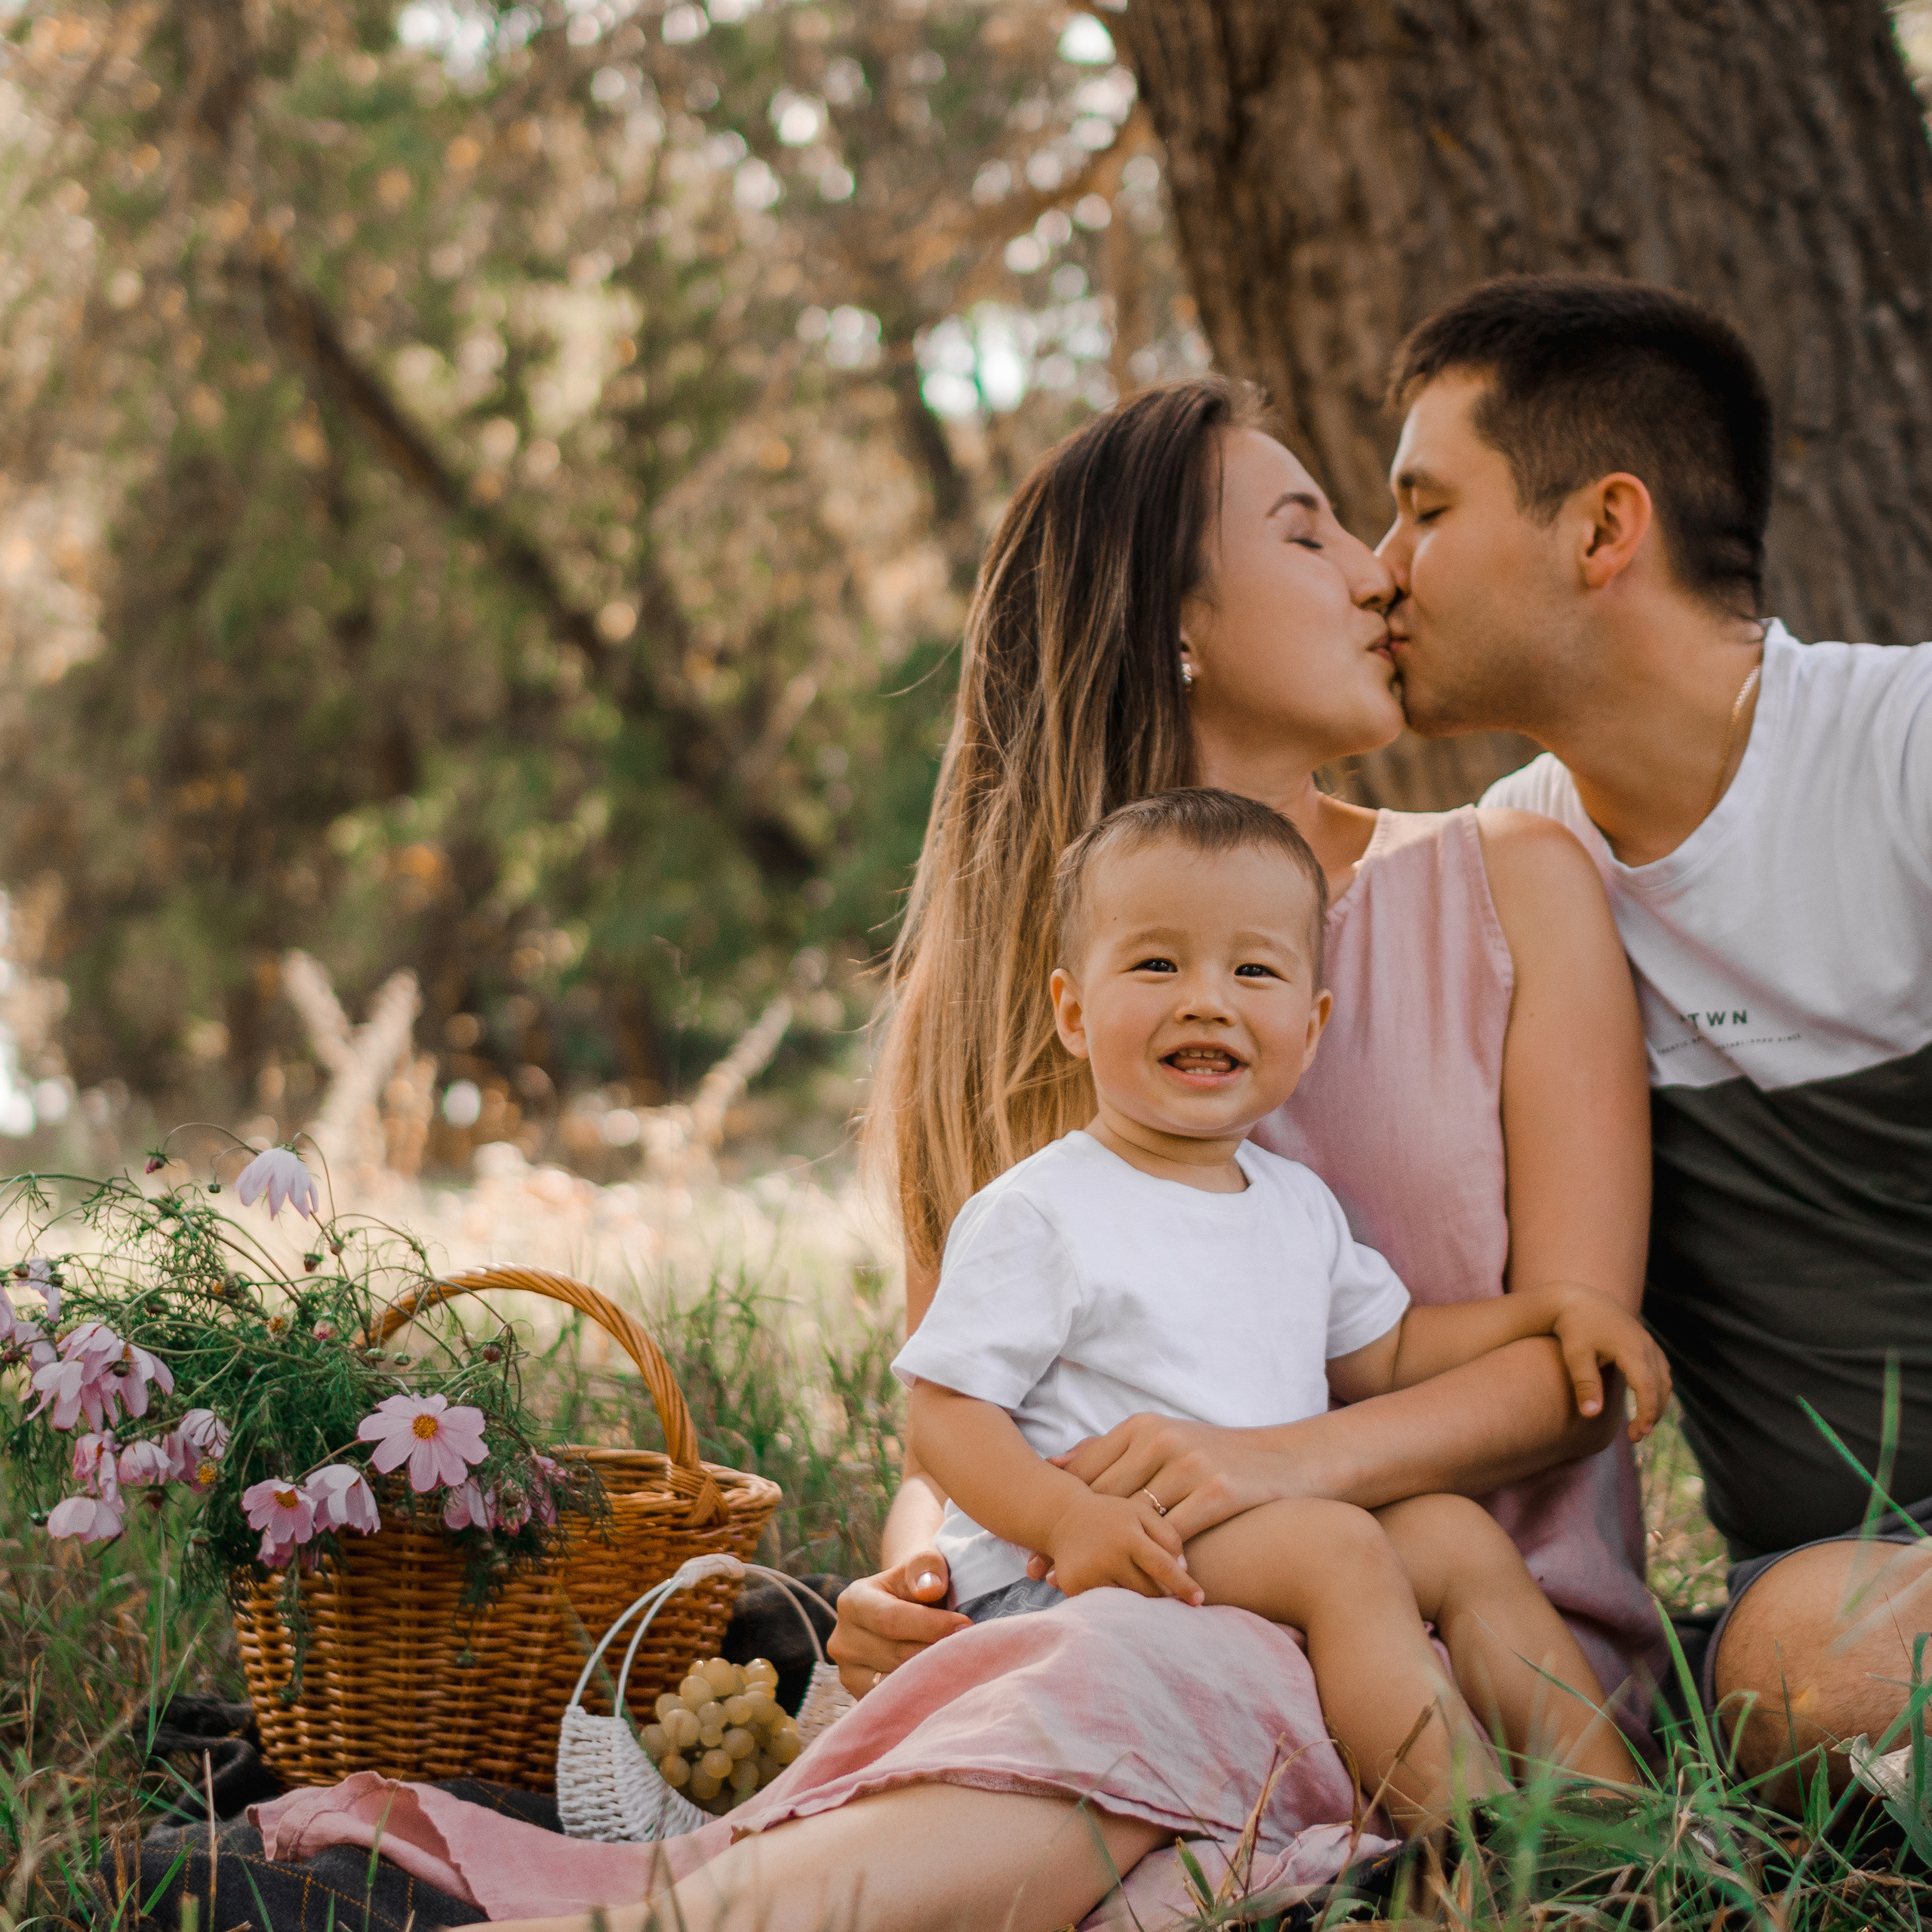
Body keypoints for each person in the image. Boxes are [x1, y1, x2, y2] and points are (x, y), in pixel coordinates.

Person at [469, 378, 1657, 1932]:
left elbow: (1559, 1367)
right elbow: (968, 1409)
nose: (1377, 569)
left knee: (1128, 1700)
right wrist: (924, 1583)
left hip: (1481, 1641)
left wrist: (1263, 1473)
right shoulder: (1000, 995)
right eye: (1306, 532)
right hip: (1125, 1605)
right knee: (1115, 1711)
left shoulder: (1509, 880)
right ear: (1173, 618)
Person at [1372, 272, 1932, 1802]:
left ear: (1600, 530)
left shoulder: (1902, 756)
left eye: (1420, 510)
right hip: (1833, 1610)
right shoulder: (1501, 883)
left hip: (1854, 1623)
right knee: (1796, 1658)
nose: (1378, 573)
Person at [900, 786, 1666, 1830]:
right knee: (1337, 1548)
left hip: (1243, 1535)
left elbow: (1389, 1354)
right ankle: (1472, 1843)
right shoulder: (1045, 1209)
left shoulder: (1294, 1205)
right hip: (1082, 1573)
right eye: (1157, 964)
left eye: (1252, 969)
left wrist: (1551, 1310)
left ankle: (1625, 1825)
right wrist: (1067, 1518)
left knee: (1449, 1534)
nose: (1206, 1000)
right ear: (1074, 1013)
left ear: (1308, 1032)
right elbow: (942, 1413)